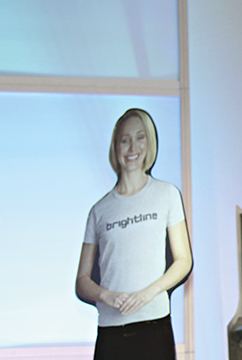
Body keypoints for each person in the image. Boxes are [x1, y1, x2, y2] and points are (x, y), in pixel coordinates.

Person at [76, 108, 193, 360]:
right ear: (115, 146)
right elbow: (82, 280)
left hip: (153, 324)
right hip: (110, 331)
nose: (132, 147)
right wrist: (106, 295)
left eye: (140, 137)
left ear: (149, 142)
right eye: (125, 139)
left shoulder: (166, 195)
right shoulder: (99, 210)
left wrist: (149, 293)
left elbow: (184, 261)